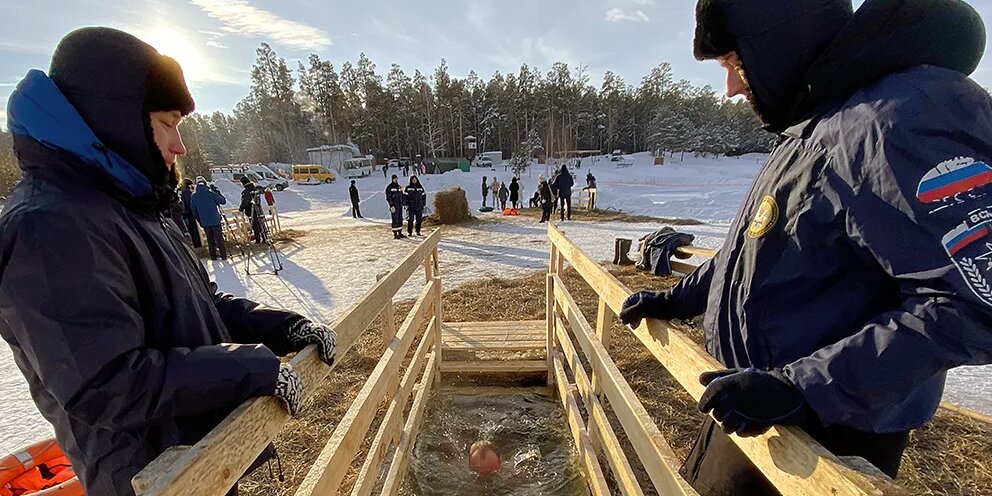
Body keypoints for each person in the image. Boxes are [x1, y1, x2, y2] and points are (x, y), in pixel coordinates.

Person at [619, 1, 992, 494]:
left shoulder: (896, 120)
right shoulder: (814, 129)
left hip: (829, 435)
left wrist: (803, 387)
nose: (730, 87)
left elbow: (971, 303)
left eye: (733, 63)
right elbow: (754, 253)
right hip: (756, 402)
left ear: (778, 41)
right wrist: (679, 298)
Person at [0, 27, 339, 496]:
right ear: (116, 121)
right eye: (166, 123)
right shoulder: (49, 227)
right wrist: (251, 368)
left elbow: (198, 304)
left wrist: (281, 328)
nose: (179, 145)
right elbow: (106, 384)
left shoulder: (129, 207)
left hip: (198, 459)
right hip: (148, 478)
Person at [190, 179, 229, 260]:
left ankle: (213, 256)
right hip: (215, 220)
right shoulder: (211, 193)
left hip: (205, 222)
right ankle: (223, 255)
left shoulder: (194, 196)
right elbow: (223, 201)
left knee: (209, 239)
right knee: (219, 239)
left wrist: (200, 221)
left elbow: (194, 211)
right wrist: (217, 192)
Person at [239, 176, 265, 244]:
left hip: (251, 211)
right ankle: (265, 237)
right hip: (259, 209)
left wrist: (241, 208)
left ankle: (258, 240)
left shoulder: (246, 191)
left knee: (255, 225)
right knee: (261, 224)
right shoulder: (255, 189)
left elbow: (245, 202)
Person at [179, 178, 202, 247]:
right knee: (193, 231)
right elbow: (190, 203)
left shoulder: (179, 191)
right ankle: (196, 245)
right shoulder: (187, 192)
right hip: (189, 214)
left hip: (182, 215)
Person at [386, 175, 406, 239]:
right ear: (392, 179)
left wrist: (404, 203)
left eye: (396, 179)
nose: (395, 180)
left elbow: (402, 196)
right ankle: (395, 233)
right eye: (394, 179)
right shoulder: (389, 187)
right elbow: (389, 197)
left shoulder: (399, 187)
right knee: (395, 219)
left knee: (400, 219)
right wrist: (391, 205)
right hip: (394, 206)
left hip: (399, 206)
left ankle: (400, 232)